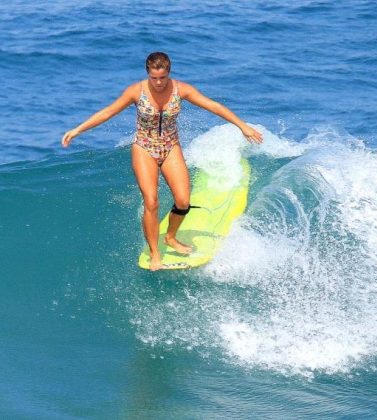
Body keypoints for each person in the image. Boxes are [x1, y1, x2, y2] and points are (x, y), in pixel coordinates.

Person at [62, 52, 263, 271]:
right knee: (151, 201)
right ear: (148, 73)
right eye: (154, 78)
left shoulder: (181, 90)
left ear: (169, 73)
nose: (158, 83)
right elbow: (108, 112)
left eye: (163, 78)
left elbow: (213, 106)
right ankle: (155, 253)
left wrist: (242, 126)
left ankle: (170, 237)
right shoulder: (136, 91)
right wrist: (77, 130)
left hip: (170, 147)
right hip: (144, 148)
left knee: (183, 201)